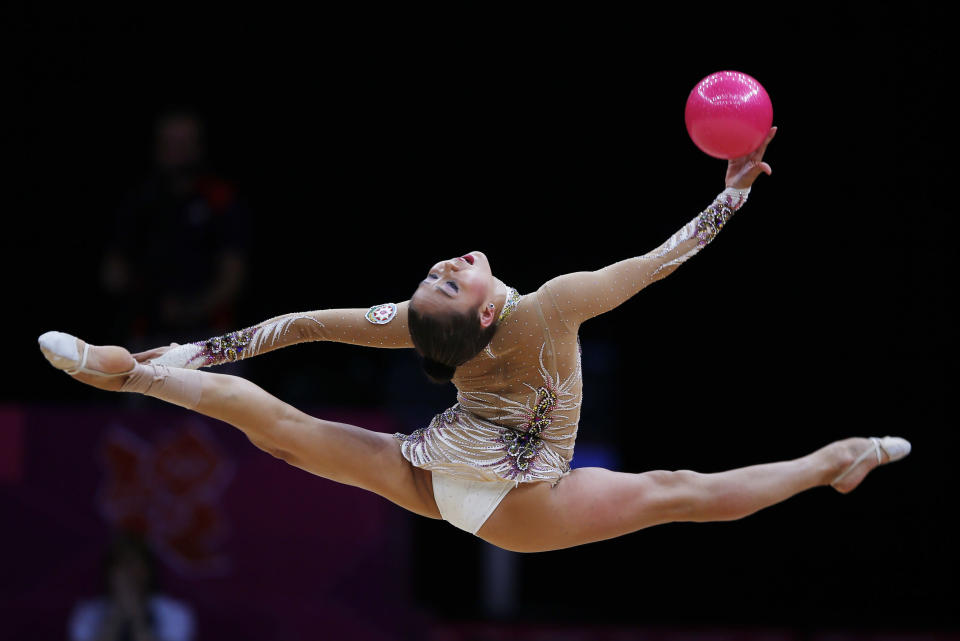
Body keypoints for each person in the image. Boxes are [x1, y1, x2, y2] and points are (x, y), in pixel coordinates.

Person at [39, 127, 911, 553]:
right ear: (486, 313)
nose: (448, 263)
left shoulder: (420, 324)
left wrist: (191, 351)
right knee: (677, 492)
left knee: (288, 435)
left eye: (439, 274)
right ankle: (129, 372)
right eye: (449, 276)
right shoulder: (549, 307)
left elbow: (292, 328)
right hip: (505, 498)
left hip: (451, 476)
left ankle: (135, 373)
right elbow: (659, 261)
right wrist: (735, 193)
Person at [67, 531, 195, 641]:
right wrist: (117, 614)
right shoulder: (87, 612)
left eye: (135, 565)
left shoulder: (176, 613)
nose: (129, 573)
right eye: (122, 565)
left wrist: (137, 617)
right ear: (109, 572)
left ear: (149, 570)